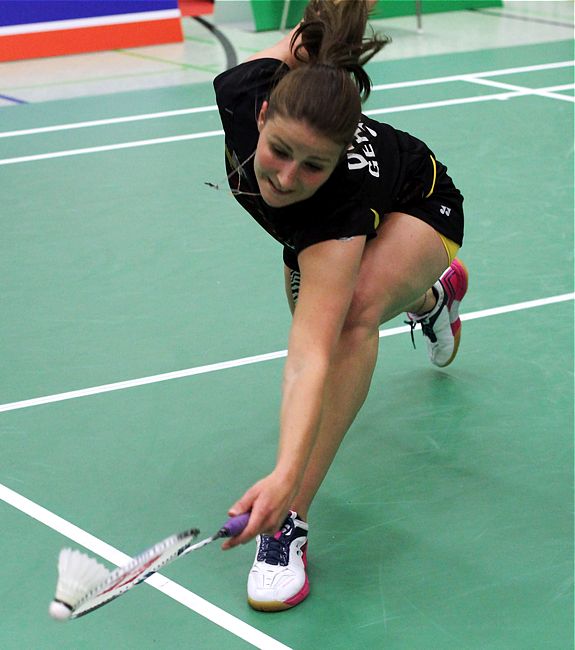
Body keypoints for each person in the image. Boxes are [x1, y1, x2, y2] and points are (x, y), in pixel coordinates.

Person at [211, 0, 468, 611]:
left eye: (314, 165)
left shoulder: (336, 215)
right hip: (333, 227)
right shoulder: (246, 88)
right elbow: (318, 28)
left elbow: (308, 359)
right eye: (281, 151)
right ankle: (434, 297)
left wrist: (283, 479)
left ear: (338, 159)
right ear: (264, 112)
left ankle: (290, 525)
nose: (287, 177)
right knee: (321, 305)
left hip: (420, 202)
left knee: (348, 319)